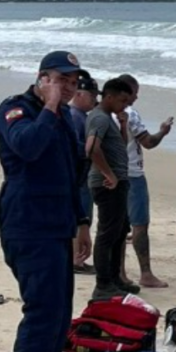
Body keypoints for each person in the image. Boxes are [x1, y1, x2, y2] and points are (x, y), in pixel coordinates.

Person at [0, 51, 92, 352]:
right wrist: (50, 105)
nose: (68, 87)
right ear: (42, 78)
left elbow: (72, 174)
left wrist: (81, 223)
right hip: (27, 225)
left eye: (72, 81)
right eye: (60, 79)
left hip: (57, 225)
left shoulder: (65, 116)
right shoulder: (15, 109)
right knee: (41, 315)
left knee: (57, 317)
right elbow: (28, 147)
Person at [116, 74, 173, 288]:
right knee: (139, 225)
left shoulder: (104, 112)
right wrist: (163, 132)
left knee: (118, 225)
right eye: (135, 92)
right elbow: (148, 142)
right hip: (133, 173)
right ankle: (146, 273)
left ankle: (120, 272)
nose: (136, 97)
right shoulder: (130, 114)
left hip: (114, 173)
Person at [87, 78, 137, 299]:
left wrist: (124, 125)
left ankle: (115, 278)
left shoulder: (109, 119)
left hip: (117, 181)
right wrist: (109, 174)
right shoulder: (99, 118)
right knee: (108, 233)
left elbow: (118, 146)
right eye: (123, 100)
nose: (125, 105)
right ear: (109, 96)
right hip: (106, 183)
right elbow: (91, 148)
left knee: (119, 231)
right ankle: (103, 284)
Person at [70, 73, 99, 274]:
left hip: (82, 177)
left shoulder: (80, 117)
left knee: (84, 217)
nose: (95, 100)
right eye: (92, 95)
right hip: (78, 179)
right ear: (79, 94)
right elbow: (76, 149)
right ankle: (76, 260)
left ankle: (77, 258)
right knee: (80, 219)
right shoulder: (74, 116)